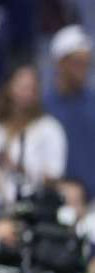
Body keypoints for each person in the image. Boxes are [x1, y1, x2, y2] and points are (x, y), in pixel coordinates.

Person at [0, 63, 67, 198]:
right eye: (22, 87)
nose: (27, 93)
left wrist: (18, 167)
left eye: (32, 88)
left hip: (34, 200)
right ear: (8, 87)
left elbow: (55, 177)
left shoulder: (49, 128)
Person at [43, 24, 95, 197]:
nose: (83, 69)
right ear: (60, 63)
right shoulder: (42, 107)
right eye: (77, 63)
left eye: (87, 63)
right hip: (60, 199)